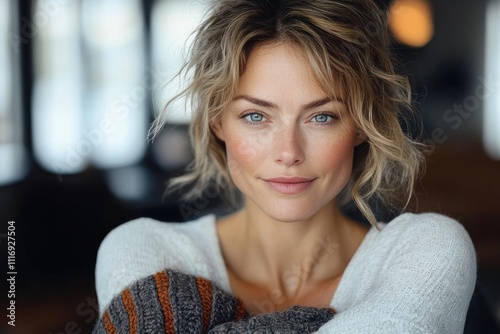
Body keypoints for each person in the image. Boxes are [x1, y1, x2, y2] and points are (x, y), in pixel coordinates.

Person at [95, 0, 477, 332]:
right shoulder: (142, 248)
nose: (289, 152)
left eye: (322, 117)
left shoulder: (426, 252)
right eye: (256, 116)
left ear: (361, 126)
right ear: (217, 121)